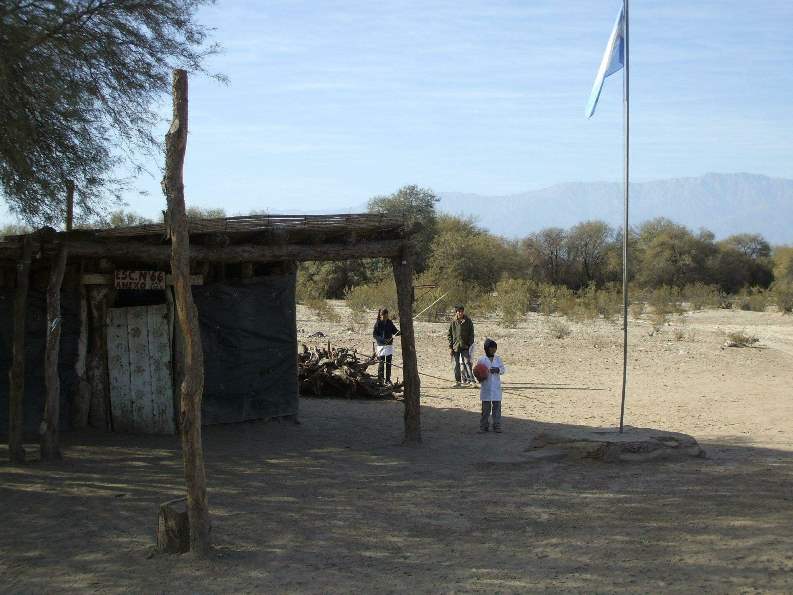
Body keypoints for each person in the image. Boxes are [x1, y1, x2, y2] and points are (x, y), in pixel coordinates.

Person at [477, 338, 506, 433]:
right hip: (486, 387)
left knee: (497, 409)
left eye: (495, 348)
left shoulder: (498, 359)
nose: (494, 350)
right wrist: (480, 376)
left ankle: (497, 426)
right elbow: (477, 372)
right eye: (491, 348)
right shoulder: (481, 359)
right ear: (486, 348)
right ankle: (484, 426)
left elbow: (503, 370)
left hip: (496, 388)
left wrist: (497, 370)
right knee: (485, 410)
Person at [448, 304, 475, 387]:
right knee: (456, 365)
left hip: (465, 346)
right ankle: (458, 381)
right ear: (456, 312)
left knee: (467, 363)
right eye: (459, 311)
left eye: (462, 311)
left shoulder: (468, 321)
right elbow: (449, 335)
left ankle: (472, 381)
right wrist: (450, 347)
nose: (460, 313)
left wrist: (469, 344)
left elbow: (471, 334)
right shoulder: (453, 322)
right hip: (455, 347)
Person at [373, 308, 400, 385]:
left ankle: (388, 380)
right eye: (382, 316)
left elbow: (395, 331)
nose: (383, 317)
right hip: (381, 346)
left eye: (385, 315)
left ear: (387, 315)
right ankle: (380, 380)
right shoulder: (378, 323)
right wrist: (382, 340)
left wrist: (400, 332)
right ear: (380, 315)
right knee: (381, 363)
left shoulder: (390, 322)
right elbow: (375, 335)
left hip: (389, 346)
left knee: (388, 363)